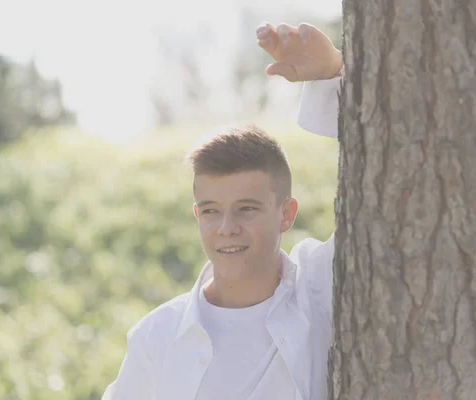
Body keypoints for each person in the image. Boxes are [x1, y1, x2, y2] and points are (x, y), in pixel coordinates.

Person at [102, 22, 344, 400]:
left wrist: (332, 75)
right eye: (212, 211)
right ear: (198, 216)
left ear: (286, 213)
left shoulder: (320, 290)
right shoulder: (156, 338)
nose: (226, 228)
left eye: (246, 209)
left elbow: (397, 187)